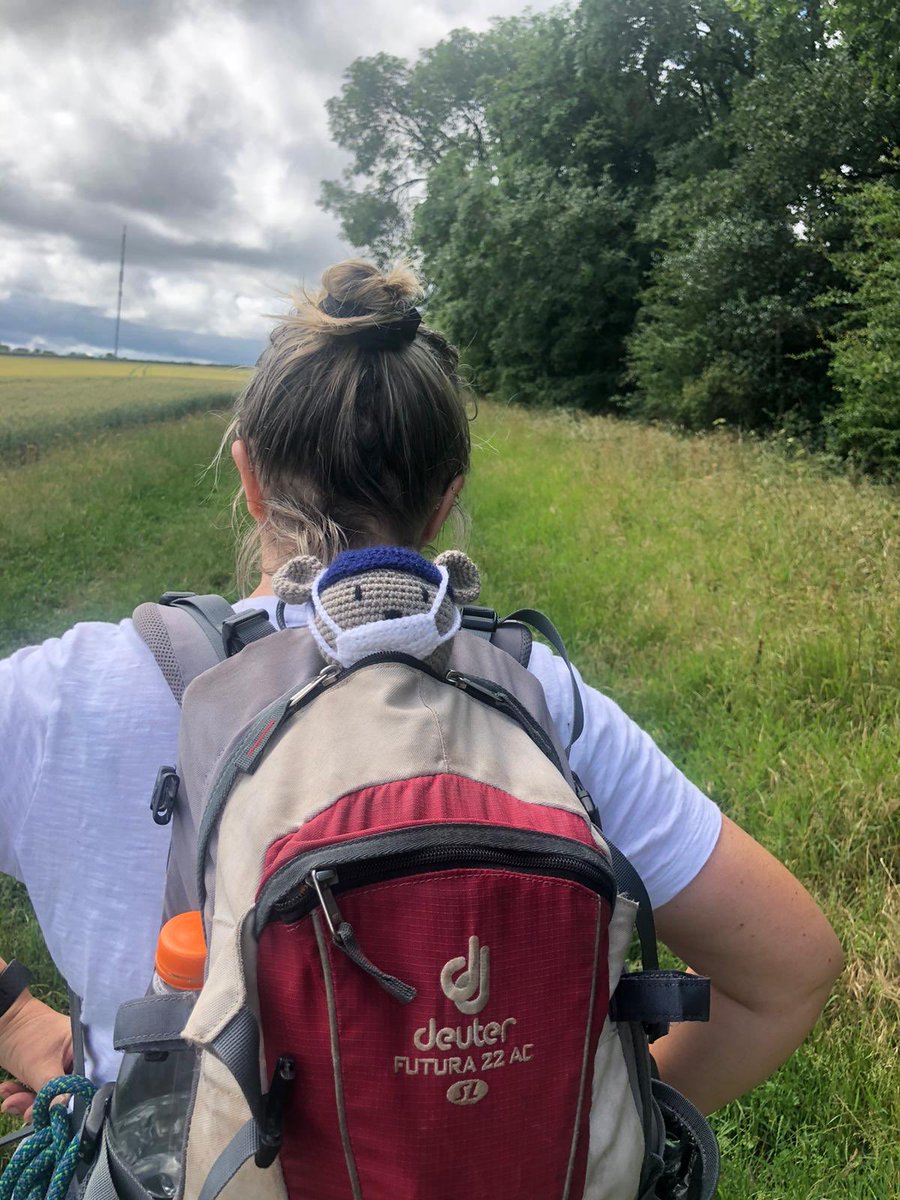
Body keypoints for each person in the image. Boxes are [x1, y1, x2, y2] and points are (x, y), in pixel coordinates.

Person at [0, 259, 842, 1126]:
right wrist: (591, 1135)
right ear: (444, 505)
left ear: (249, 477)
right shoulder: (537, 701)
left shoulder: (59, 696)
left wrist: (16, 1017)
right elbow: (787, 973)